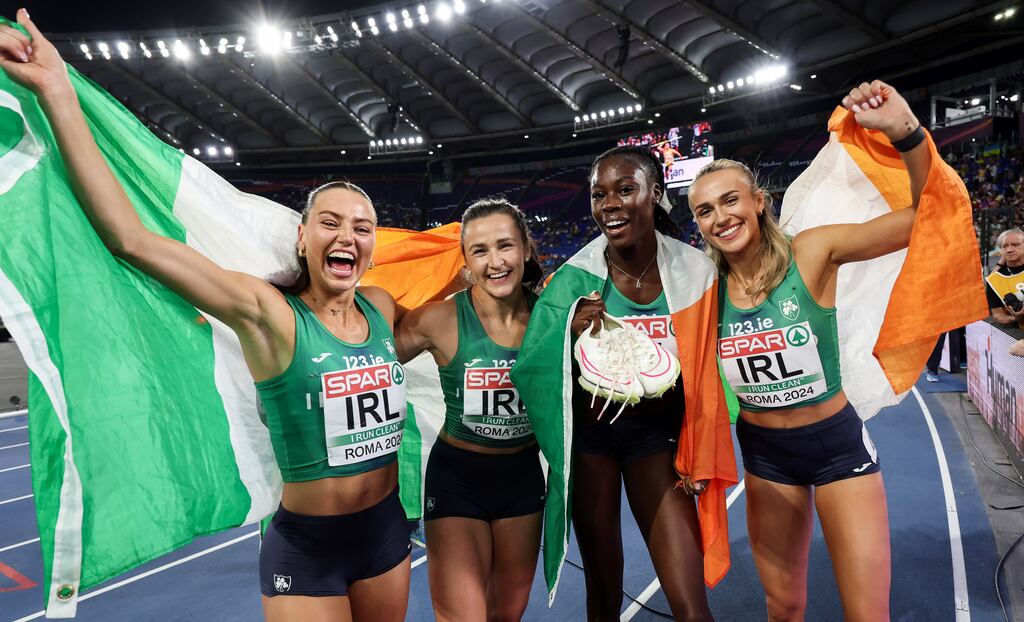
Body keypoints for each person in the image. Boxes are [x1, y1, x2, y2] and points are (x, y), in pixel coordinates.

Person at [0, 13, 410, 621]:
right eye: (330, 222)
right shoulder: (267, 314)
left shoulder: (381, 309)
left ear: (373, 245)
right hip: (307, 548)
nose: (347, 234)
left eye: (362, 227)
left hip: (385, 535)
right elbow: (131, 240)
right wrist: (59, 92)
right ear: (302, 239)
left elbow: (467, 321)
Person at [688, 79, 932, 621]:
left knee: (868, 615)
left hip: (837, 448)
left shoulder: (812, 251)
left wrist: (908, 133)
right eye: (704, 211)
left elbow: (923, 218)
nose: (720, 217)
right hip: (765, 457)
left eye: (730, 200)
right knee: (783, 609)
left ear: (758, 201)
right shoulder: (702, 288)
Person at [562, 145, 731, 621]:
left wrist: (702, 447)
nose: (610, 203)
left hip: (657, 442)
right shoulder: (573, 276)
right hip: (593, 440)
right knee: (602, 592)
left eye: (625, 189)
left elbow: (708, 366)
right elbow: (535, 358)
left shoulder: (696, 271)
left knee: (689, 599)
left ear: (655, 194)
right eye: (599, 195)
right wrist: (565, 331)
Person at [395, 198, 544, 622]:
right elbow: (368, 357)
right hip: (457, 479)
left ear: (526, 249)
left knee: (507, 615)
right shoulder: (437, 319)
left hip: (522, 481)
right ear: (464, 261)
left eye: (505, 246)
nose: (495, 261)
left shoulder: (551, 318)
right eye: (480, 250)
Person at [987, 228, 1024, 326]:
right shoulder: (994, 280)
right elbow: (997, 315)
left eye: (1015, 245)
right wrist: (1015, 317)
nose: (1009, 250)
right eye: (1005, 246)